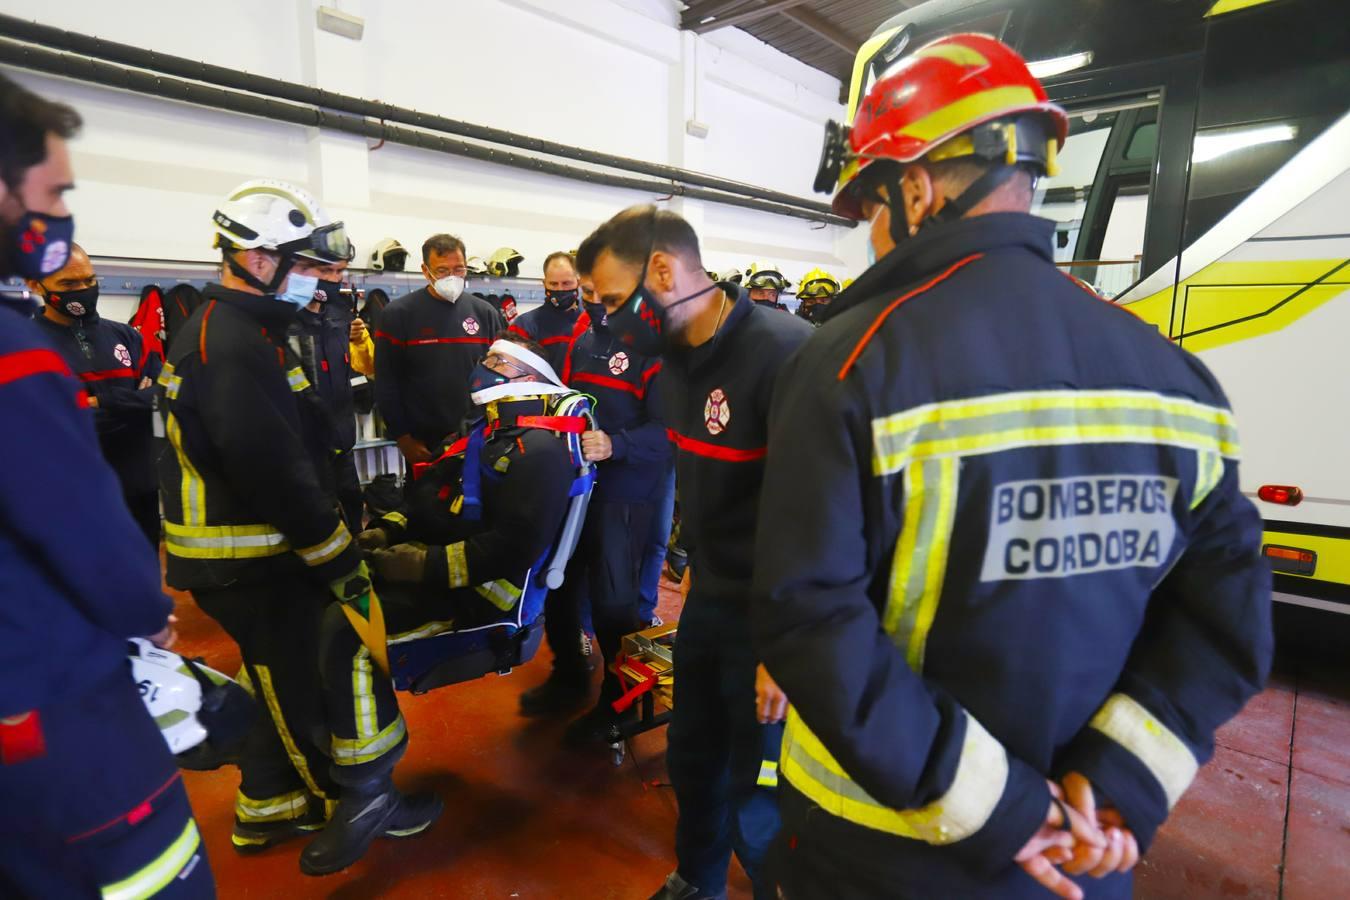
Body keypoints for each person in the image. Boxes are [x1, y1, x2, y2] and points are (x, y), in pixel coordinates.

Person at [751, 33, 1273, 900]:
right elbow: (1228, 612)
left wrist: (1002, 809)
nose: (873, 238)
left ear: (915, 189)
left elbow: (808, 617)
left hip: (881, 848)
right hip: (1083, 856)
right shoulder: (1171, 371)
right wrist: (1117, 788)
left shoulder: (851, 360)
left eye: (873, 210)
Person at [159, 178, 434, 869]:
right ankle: (339, 806)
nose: (316, 281)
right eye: (305, 265)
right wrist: (337, 554)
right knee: (299, 687)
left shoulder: (247, 331)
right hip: (249, 560)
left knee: (275, 679)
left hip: (255, 557)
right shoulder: (232, 346)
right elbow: (272, 470)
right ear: (257, 260)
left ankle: (267, 811)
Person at [0, 72, 214, 898]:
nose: (62, 213)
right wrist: (147, 611)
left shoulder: (117, 338)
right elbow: (81, 528)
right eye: (52, 191)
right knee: (151, 874)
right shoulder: (17, 355)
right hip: (48, 702)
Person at [576, 205, 812, 900]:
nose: (608, 322)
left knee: (762, 782)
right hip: (712, 596)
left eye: (615, 301)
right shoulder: (673, 363)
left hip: (775, 610)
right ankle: (697, 881)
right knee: (694, 752)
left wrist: (789, 642)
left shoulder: (787, 352)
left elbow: (820, 510)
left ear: (663, 270)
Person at [314, 335, 582, 873]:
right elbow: (429, 498)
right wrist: (387, 533)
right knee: (319, 602)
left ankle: (367, 792)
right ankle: (335, 759)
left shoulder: (542, 453)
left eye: (494, 361)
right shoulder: (485, 437)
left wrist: (418, 565)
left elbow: (511, 550)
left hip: (482, 601)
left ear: (526, 375)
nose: (480, 368)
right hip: (443, 578)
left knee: (344, 632)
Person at [518, 276, 671, 740]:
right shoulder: (587, 337)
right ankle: (571, 675)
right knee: (561, 587)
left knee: (614, 602)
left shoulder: (657, 347)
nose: (593, 300)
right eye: (586, 290)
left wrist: (616, 444)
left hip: (628, 491)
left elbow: (676, 431)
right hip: (582, 484)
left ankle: (623, 702)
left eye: (605, 292)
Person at [29, 242, 164, 546]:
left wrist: (103, 402)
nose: (83, 289)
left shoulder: (128, 336)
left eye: (89, 280)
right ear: (35, 285)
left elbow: (164, 395)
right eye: (69, 283)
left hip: (138, 490)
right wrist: (135, 408)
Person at [374, 234, 503, 465]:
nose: (452, 277)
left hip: (479, 433)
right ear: (426, 271)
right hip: (425, 440)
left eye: (459, 269)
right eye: (442, 270)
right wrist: (403, 437)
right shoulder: (398, 315)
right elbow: (387, 382)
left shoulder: (485, 313)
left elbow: (501, 374)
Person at [290, 266, 371, 533]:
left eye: (338, 272)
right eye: (325, 271)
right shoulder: (283, 325)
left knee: (352, 514)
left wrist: (359, 341)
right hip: (305, 453)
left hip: (343, 444)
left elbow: (363, 368)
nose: (334, 278)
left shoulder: (339, 318)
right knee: (317, 528)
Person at [509, 250, 582, 375]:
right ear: (544, 284)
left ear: (578, 282)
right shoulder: (524, 325)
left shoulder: (591, 323)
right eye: (553, 284)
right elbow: (512, 371)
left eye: (566, 283)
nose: (560, 289)